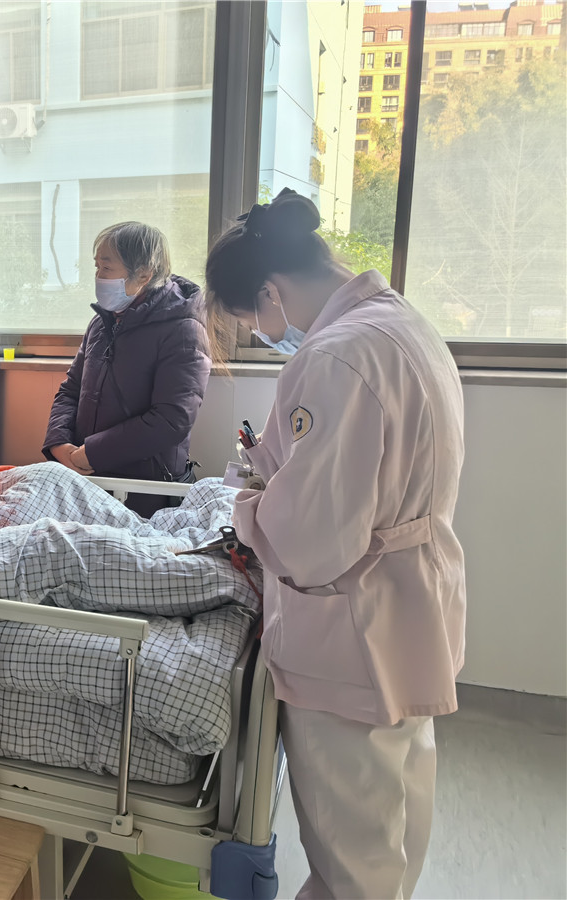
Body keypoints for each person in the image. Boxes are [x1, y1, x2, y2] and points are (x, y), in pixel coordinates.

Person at [205, 189, 466, 900]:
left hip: (353, 631)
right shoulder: (401, 324)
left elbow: (311, 539)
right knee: (395, 821)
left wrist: (250, 507)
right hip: (410, 609)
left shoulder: (335, 357)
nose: (261, 333)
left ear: (271, 292)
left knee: (352, 856)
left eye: (251, 320)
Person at [43, 221, 211, 516]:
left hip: (146, 492)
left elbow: (172, 419)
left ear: (144, 274)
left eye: (107, 268)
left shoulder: (183, 330)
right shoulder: (102, 322)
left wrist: (92, 453)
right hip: (89, 479)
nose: (98, 277)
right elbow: (71, 390)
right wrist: (59, 444)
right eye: (96, 267)